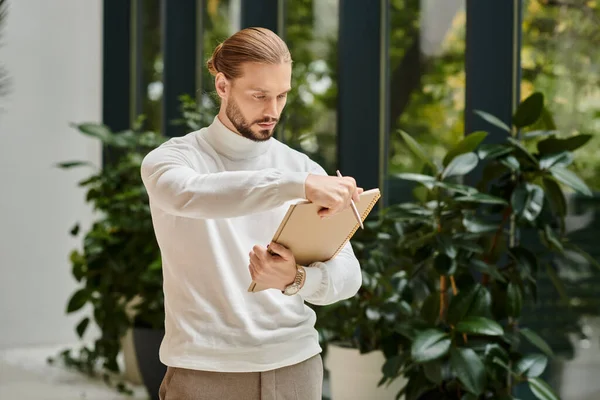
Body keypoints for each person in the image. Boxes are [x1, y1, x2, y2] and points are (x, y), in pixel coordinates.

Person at [141, 27, 363, 400]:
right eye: (259, 96)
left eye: (281, 96)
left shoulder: (301, 167)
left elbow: (350, 276)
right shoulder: (172, 160)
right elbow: (190, 195)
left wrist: (296, 279)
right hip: (203, 371)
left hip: (296, 367)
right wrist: (298, 186)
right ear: (223, 85)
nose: (272, 110)